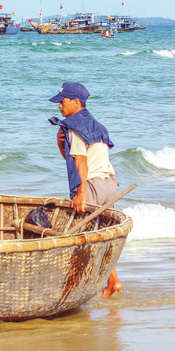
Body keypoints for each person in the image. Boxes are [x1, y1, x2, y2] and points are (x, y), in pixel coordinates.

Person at [48, 81, 121, 298]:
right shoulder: (95, 124)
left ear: (76, 102)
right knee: (103, 234)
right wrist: (61, 145)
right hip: (109, 184)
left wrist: (80, 193)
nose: (59, 106)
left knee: (82, 237)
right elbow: (79, 158)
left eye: (62, 102)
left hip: (91, 186)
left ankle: (72, 290)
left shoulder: (74, 126)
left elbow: (81, 162)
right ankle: (113, 281)